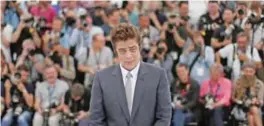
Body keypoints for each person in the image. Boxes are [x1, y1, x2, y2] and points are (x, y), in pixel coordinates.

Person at [89, 23, 172, 126]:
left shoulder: (158, 75)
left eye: (132, 49)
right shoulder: (101, 78)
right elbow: (96, 120)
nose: (128, 56)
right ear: (115, 51)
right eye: (122, 51)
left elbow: (164, 117)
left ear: (140, 47)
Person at [232, 62, 263, 126]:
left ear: (254, 72)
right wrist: (238, 101)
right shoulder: (237, 82)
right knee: (254, 111)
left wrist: (257, 101)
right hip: (240, 105)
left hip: (255, 106)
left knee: (252, 114)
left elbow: (261, 100)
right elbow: (232, 97)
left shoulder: (260, 84)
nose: (248, 73)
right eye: (246, 71)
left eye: (250, 71)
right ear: (243, 71)